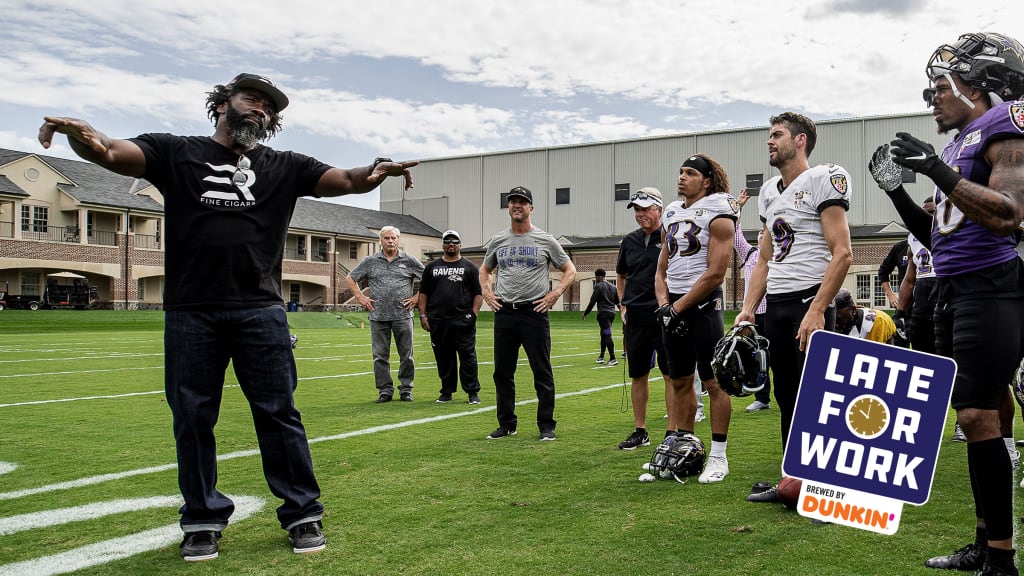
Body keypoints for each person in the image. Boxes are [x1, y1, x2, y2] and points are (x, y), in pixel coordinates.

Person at [38, 73, 417, 560]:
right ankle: (201, 517)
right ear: (222, 103)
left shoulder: (284, 165)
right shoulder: (176, 152)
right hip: (191, 310)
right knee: (192, 417)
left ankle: (303, 512)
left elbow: (346, 180)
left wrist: (376, 169)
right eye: (250, 99)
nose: (259, 110)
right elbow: (110, 152)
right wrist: (84, 136)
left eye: (268, 107)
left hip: (260, 310)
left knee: (279, 414)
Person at [867, 32, 1024, 576]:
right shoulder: (960, 143)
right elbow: (939, 236)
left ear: (976, 85)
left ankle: (1000, 559)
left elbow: (1008, 214)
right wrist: (896, 191)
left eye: (940, 86)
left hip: (991, 283)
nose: (932, 97)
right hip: (955, 285)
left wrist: (935, 169)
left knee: (980, 414)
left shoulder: (1004, 124)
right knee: (975, 417)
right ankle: (984, 543)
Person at [738, 112, 853, 502]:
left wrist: (818, 309)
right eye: (769, 135)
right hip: (780, 304)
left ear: (800, 140)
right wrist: (747, 309)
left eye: (777, 135)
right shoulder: (770, 191)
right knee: (787, 395)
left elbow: (843, 253)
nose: (769, 141)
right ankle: (794, 479)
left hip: (810, 298)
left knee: (817, 397)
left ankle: (826, 485)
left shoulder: (824, 177)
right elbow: (765, 260)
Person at [655, 153, 739, 484]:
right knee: (678, 380)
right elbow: (662, 266)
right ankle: (685, 449)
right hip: (673, 305)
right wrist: (665, 305)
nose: (681, 177)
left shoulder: (720, 208)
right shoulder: (673, 211)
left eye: (689, 173)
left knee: (713, 381)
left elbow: (716, 273)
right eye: (680, 172)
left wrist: (678, 308)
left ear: (706, 180)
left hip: (703, 305)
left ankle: (719, 456)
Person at [480, 186, 577, 441]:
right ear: (508, 207)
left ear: (531, 208)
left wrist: (554, 295)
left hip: (534, 312)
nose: (517, 205)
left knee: (541, 371)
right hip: (505, 313)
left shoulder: (545, 239)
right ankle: (507, 424)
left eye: (522, 202)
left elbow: (570, 270)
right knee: (502, 371)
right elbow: (484, 270)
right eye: (512, 201)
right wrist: (488, 294)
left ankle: (546, 425)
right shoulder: (499, 240)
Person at [614, 187, 676, 450]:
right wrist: (622, 306)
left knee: (670, 375)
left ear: (658, 209)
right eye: (637, 210)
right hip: (635, 318)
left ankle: (673, 431)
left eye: (645, 209)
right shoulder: (628, 241)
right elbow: (621, 275)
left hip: (664, 317)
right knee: (638, 375)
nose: (640, 214)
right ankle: (641, 430)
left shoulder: (673, 238)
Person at [345, 226, 425, 403]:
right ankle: (385, 390)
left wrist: (416, 298)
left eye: (394, 238)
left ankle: (406, 389)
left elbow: (428, 279)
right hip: (378, 315)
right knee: (380, 355)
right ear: (381, 240)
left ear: (398, 240)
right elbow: (350, 278)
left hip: (403, 315)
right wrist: (360, 297)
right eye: (387, 238)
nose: (390, 241)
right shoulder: (370, 261)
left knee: (407, 355)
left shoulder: (409, 260)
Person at [418, 229, 483, 405]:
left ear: (460, 245)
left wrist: (473, 314)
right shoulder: (431, 267)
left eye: (454, 241)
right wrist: (423, 314)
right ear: (443, 245)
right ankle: (446, 391)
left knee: (468, 357)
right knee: (444, 358)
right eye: (447, 241)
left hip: (463, 319)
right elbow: (423, 293)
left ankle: (472, 392)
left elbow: (478, 293)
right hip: (438, 320)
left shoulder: (469, 267)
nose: (451, 244)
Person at [734, 189, 772, 412]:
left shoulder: (778, 256)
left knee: (776, 356)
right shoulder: (749, 254)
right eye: (758, 232)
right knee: (756, 357)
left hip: (772, 312)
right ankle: (762, 398)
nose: (760, 234)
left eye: (764, 232)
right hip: (752, 315)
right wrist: (738, 207)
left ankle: (788, 396)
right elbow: (736, 233)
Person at [582, 268, 620, 366]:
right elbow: (617, 302)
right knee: (603, 334)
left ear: (598, 276)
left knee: (607, 334)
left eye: (596, 277)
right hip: (612, 314)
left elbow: (592, 301)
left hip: (603, 314)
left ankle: (613, 358)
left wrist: (586, 313)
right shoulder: (613, 286)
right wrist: (622, 311)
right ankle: (601, 356)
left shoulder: (598, 286)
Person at [832, 288, 897, 344]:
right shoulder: (835, 323)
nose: (834, 324)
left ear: (853, 311)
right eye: (832, 319)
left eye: (838, 319)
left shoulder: (878, 322)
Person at [878, 238, 910, 309]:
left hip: (931, 304)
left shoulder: (935, 244)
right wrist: (890, 295)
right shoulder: (900, 247)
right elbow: (883, 271)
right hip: (906, 306)